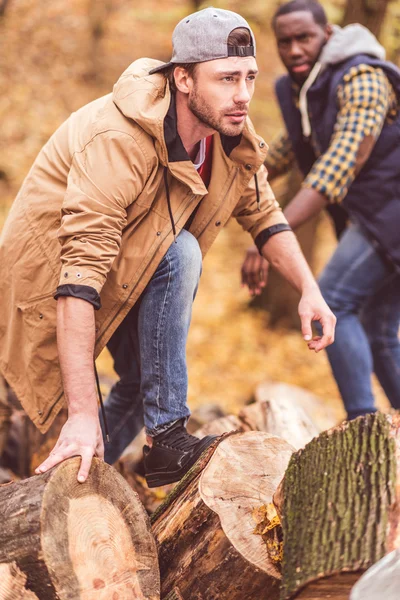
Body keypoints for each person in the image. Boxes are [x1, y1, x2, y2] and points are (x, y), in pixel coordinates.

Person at [0, 7, 335, 487]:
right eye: (226, 79)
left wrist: (309, 289)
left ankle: (67, 491)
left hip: (130, 262)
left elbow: (264, 215)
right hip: (49, 279)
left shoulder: (228, 136)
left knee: (137, 386)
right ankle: (166, 433)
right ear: (183, 78)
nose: (242, 96)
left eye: (249, 77)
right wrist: (81, 410)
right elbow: (78, 273)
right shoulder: (118, 138)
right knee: (181, 253)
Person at [241, 0, 400, 420]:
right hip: (379, 219)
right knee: (378, 329)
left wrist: (268, 234)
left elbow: (337, 166)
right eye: (285, 41)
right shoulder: (309, 89)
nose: (294, 49)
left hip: (391, 215)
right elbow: (279, 153)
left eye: (304, 38)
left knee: (331, 301)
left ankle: (362, 429)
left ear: (327, 35)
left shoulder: (362, 78)